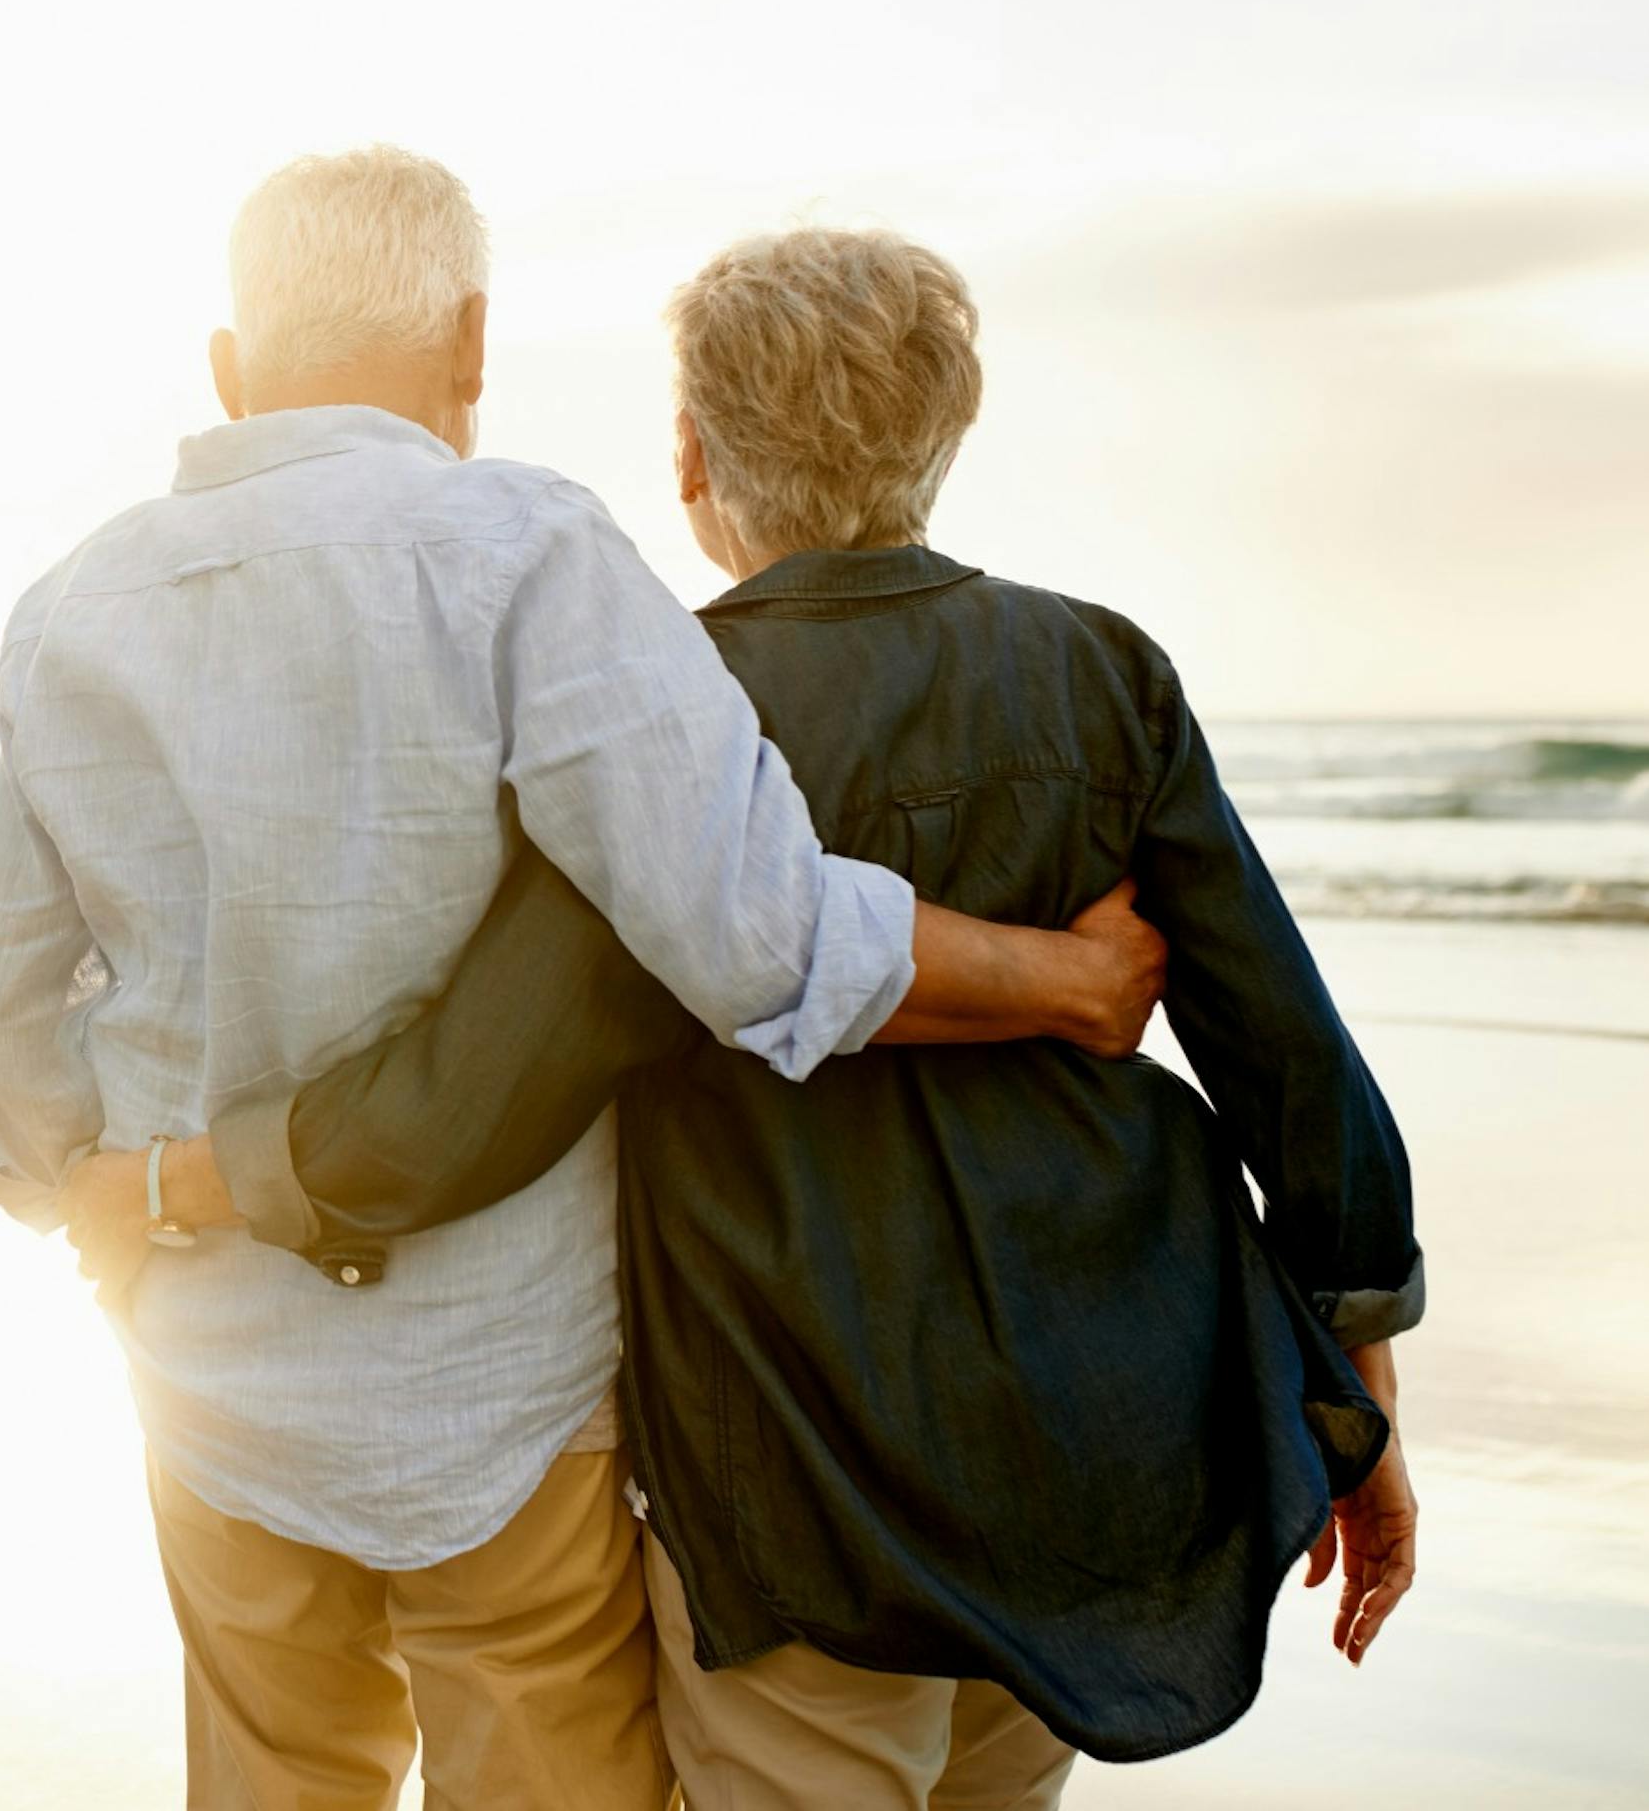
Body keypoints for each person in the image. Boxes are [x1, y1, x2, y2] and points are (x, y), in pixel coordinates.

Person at [97, 227, 1425, 1809]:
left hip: (802, 1463)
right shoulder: (1103, 673)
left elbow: (483, 1089)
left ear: (690, 455)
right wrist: (1364, 1410)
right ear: (950, 429)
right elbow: (1292, 1062)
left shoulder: (661, 708)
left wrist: (199, 1177)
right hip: (1086, 1430)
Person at [0, 151, 1169, 1811]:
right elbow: (750, 933)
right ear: (471, 343)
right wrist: (1061, 978)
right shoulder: (520, 548)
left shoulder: (70, 608)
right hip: (504, 1405)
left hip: (210, 1389)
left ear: (230, 367)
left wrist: (117, 1207)